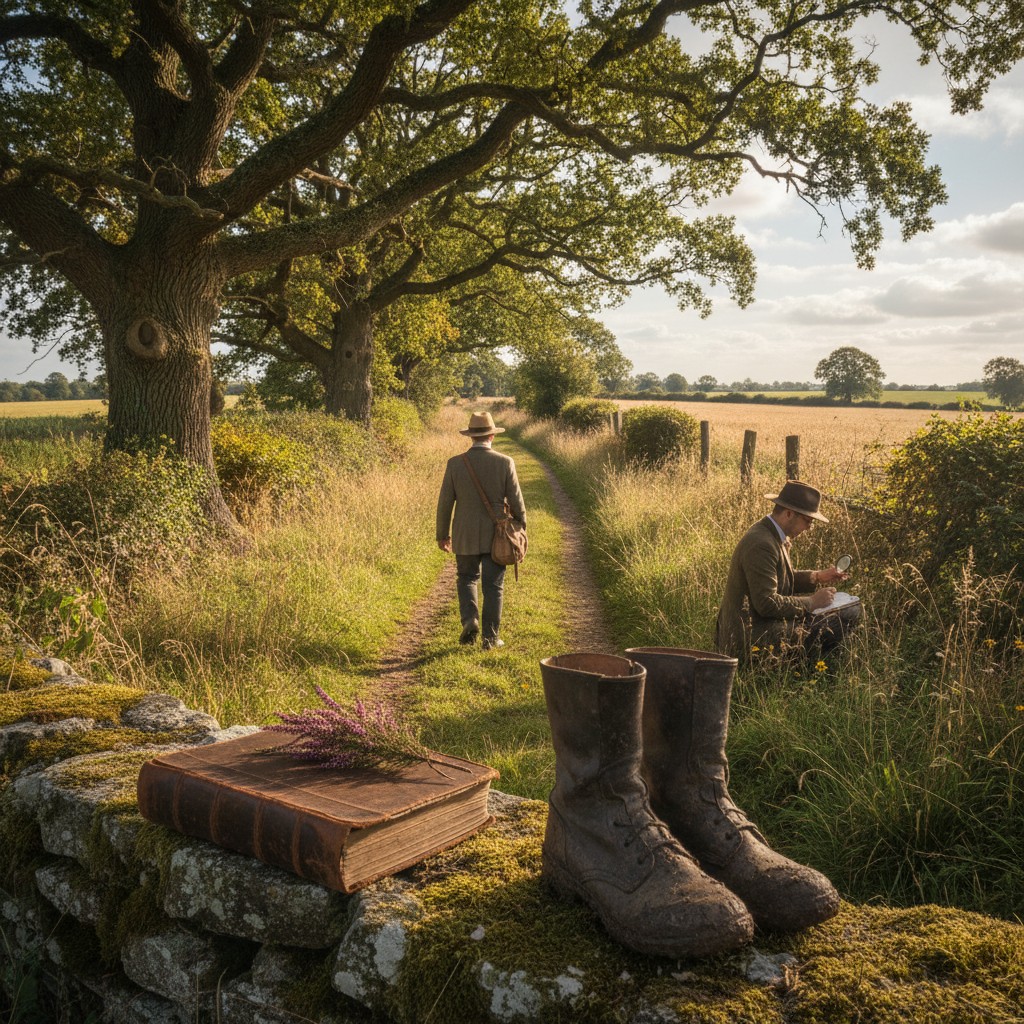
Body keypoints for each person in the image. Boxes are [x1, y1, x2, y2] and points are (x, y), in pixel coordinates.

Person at [715, 480, 861, 663]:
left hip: (757, 628)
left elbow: (778, 578)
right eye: (807, 521)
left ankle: (805, 665)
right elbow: (767, 603)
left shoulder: (771, 535)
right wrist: (812, 602)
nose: (809, 527)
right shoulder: (762, 543)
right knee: (842, 617)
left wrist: (817, 576)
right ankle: (806, 670)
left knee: (837, 615)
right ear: (789, 514)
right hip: (750, 638)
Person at [436, 411, 526, 650]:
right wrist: (520, 528)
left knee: (466, 578)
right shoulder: (505, 462)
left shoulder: (455, 464)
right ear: (492, 436)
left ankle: (470, 620)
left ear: (471, 437)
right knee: (493, 586)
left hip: (464, 533)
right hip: (497, 535)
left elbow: (445, 502)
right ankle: (490, 638)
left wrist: (442, 534)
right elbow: (517, 502)